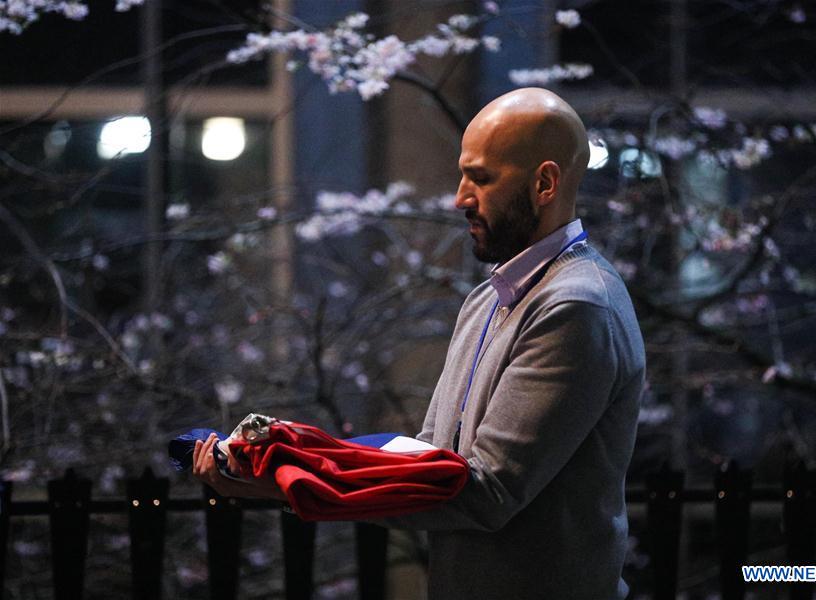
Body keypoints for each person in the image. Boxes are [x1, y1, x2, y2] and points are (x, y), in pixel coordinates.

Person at [194, 87, 645, 600]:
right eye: (463, 174)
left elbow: (485, 495)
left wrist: (295, 480)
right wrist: (291, 463)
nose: (460, 197)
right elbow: (429, 467)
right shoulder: (488, 299)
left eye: (481, 178)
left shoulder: (574, 308)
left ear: (544, 183)